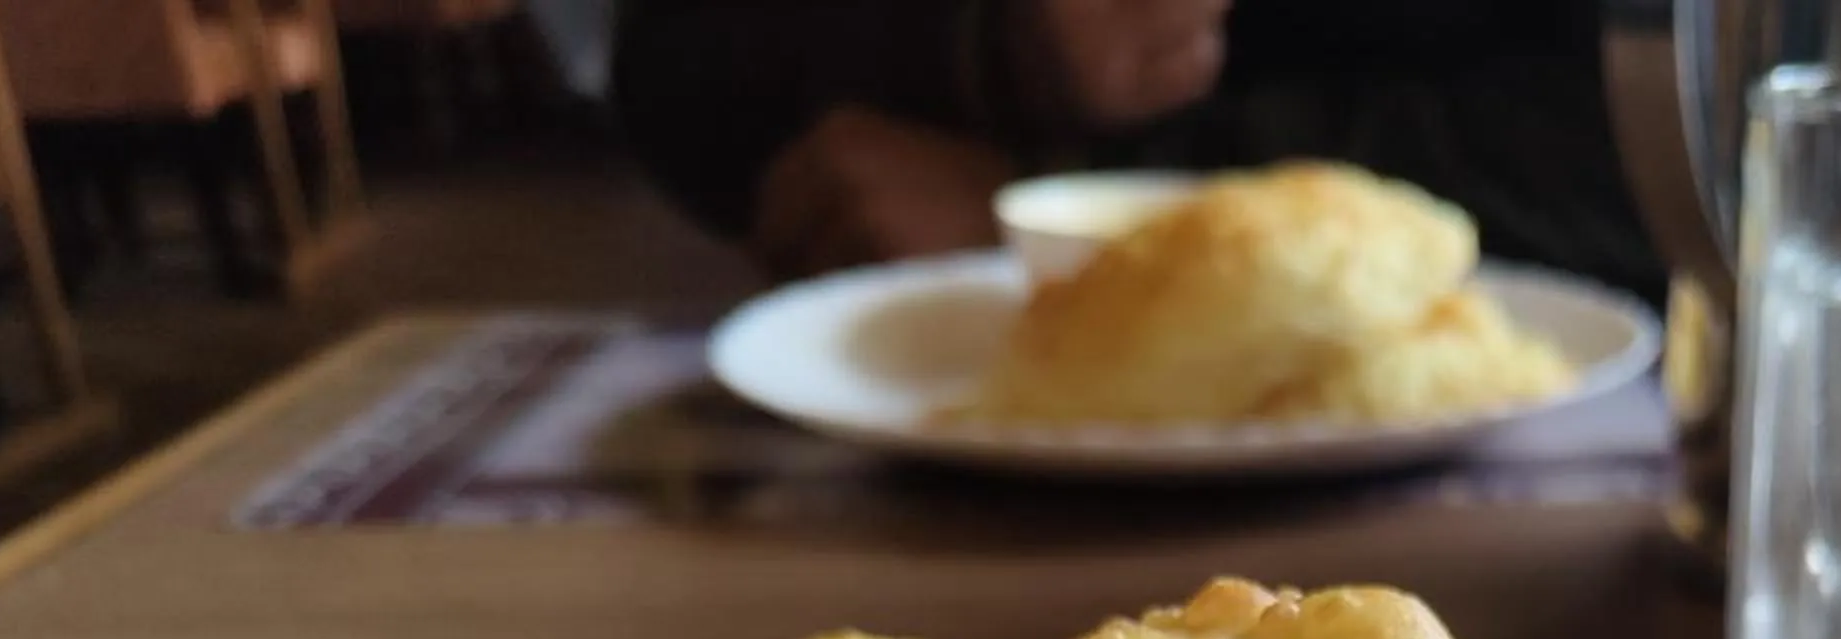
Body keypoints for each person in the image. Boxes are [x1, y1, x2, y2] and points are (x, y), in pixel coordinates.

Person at [608, 0, 1665, 297]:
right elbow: (672, 62)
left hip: (1518, 459)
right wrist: (985, 43)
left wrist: (1083, 211)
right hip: (927, 418)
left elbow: (1652, 144)